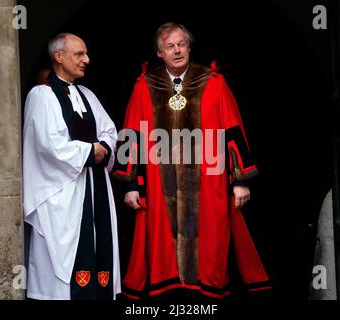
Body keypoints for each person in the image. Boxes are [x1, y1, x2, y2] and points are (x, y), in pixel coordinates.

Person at [113, 22, 270, 299]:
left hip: (208, 179)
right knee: (161, 245)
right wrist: (131, 186)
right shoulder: (144, 86)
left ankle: (207, 293)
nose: (177, 51)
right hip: (160, 182)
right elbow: (131, 136)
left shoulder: (212, 82)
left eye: (181, 44)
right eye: (170, 46)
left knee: (211, 241)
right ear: (159, 53)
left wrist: (240, 181)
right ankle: (170, 293)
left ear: (189, 47)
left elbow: (232, 128)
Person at [23, 33, 120, 300]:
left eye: (86, 53)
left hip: (94, 186)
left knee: (99, 252)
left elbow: (110, 132)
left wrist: (103, 147)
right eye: (79, 54)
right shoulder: (40, 96)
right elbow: (47, 145)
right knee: (64, 264)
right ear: (59, 56)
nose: (86, 60)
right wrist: (92, 150)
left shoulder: (87, 94)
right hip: (62, 193)